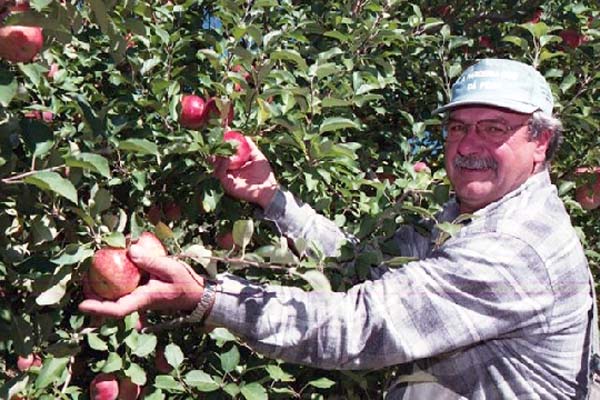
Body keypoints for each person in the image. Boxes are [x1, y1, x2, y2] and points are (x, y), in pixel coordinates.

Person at [79, 58, 595, 399]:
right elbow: (361, 267)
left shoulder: (516, 246)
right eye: (458, 127)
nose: (467, 144)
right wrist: (273, 199)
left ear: (541, 142)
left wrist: (207, 299)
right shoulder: (469, 216)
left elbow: (362, 324)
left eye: (494, 128)